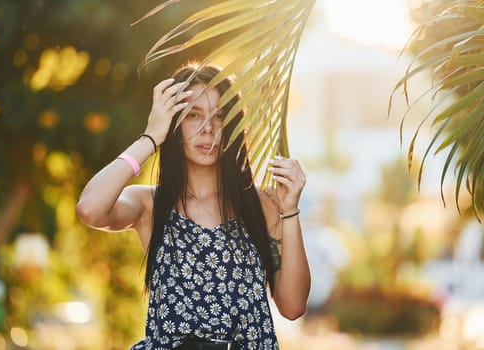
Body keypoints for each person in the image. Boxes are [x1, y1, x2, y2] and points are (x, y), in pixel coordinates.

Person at [76, 63, 311, 350]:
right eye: (193, 115)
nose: (207, 128)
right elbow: (89, 209)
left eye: (219, 116)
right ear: (174, 123)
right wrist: (151, 137)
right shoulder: (150, 204)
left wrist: (290, 210)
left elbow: (293, 306)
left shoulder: (264, 205)